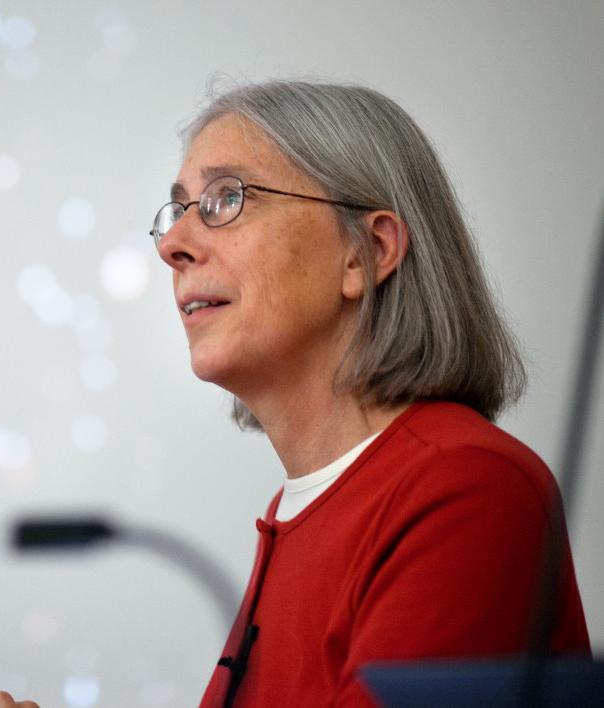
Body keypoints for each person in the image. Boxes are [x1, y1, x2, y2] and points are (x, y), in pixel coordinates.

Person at [148, 80, 590, 707]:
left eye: (226, 199)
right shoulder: (296, 509)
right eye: (178, 210)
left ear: (368, 251)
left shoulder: (464, 488)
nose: (173, 246)